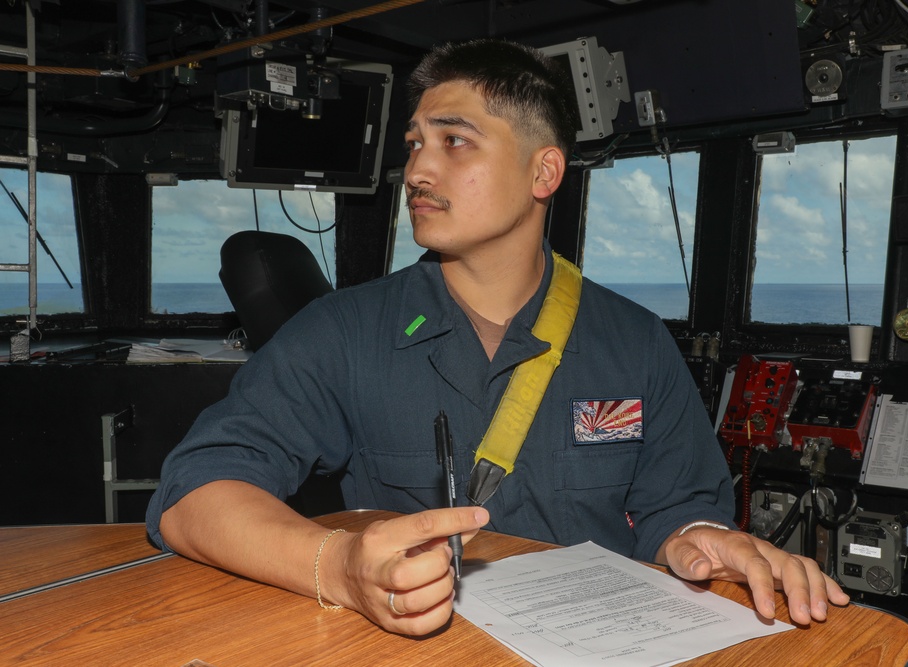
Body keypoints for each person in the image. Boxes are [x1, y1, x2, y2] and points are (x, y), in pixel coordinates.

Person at [147, 38, 848, 637]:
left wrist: (703, 542)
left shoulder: (635, 342)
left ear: (543, 171)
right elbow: (192, 495)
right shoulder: (344, 331)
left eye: (455, 141)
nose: (418, 169)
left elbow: (681, 507)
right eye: (417, 144)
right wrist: (339, 567)